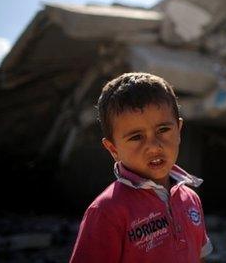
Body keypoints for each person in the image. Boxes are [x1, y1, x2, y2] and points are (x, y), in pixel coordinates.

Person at [70, 72, 212, 263]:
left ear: (178, 131)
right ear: (113, 149)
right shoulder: (107, 211)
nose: (154, 146)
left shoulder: (190, 199)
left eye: (163, 130)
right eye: (136, 137)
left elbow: (199, 257)